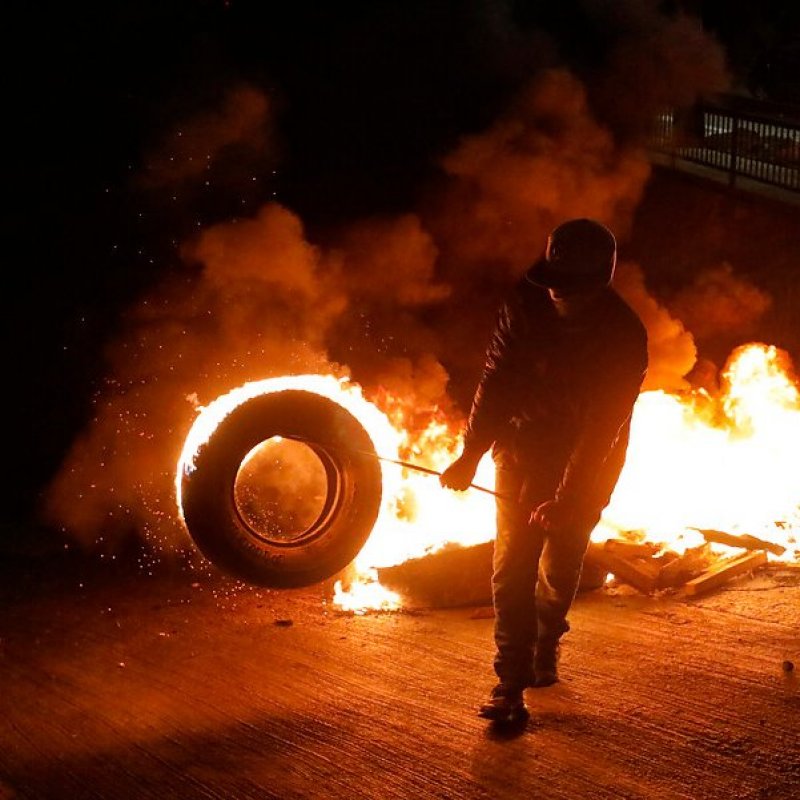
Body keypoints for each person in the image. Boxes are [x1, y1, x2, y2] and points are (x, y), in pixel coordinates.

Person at [440, 218, 648, 722]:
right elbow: (496, 380)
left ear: (598, 285)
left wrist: (569, 497)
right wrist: (470, 454)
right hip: (522, 445)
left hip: (591, 457)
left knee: (559, 562)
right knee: (512, 563)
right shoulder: (523, 304)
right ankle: (509, 682)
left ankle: (547, 639)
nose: (557, 292)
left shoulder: (624, 335)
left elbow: (601, 429)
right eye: (554, 281)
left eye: (570, 287)